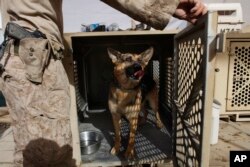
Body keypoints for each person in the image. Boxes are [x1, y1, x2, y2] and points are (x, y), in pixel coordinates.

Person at [0, 0, 207, 166]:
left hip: (37, 48)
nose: (135, 64)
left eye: (138, 61)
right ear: (115, 63)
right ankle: (119, 141)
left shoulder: (142, 81)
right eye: (127, 60)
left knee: (145, 111)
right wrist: (169, 6)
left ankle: (149, 125)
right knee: (46, 154)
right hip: (34, 52)